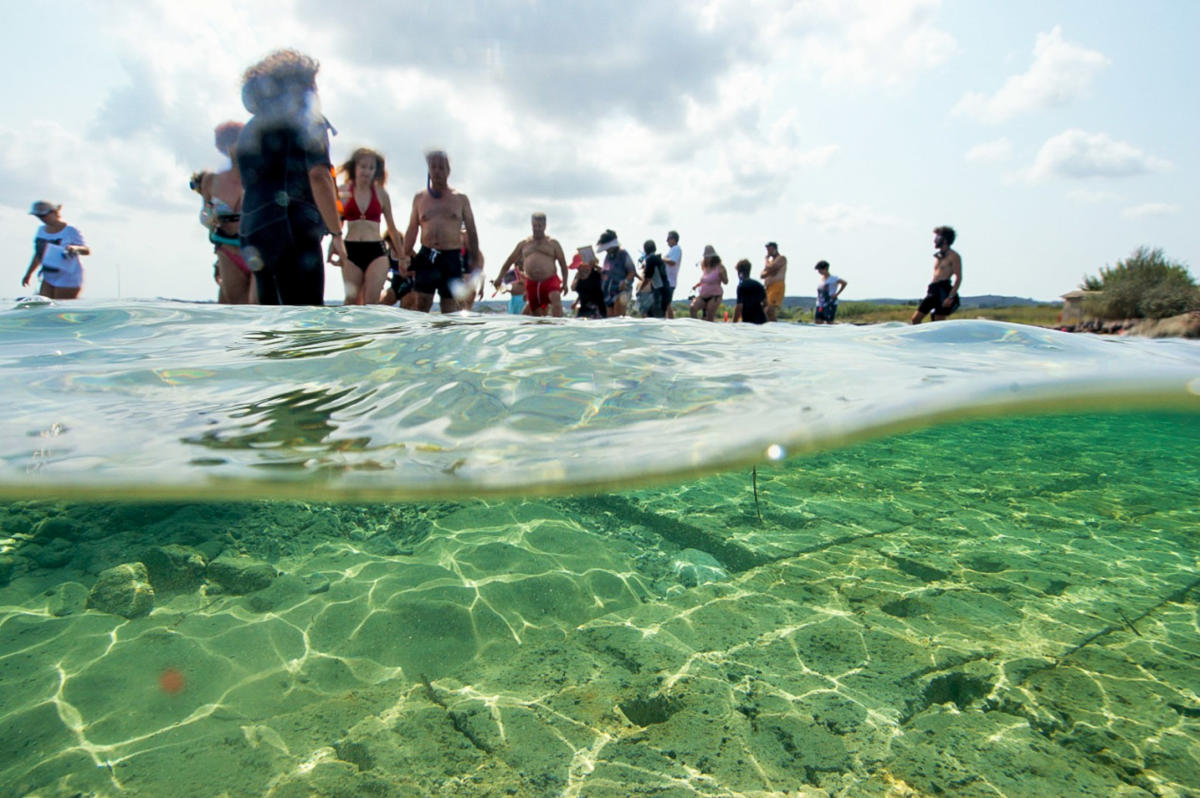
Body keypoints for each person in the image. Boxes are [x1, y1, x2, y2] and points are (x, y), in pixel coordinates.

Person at [236, 49, 346, 305]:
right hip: (291, 229)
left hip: (253, 230)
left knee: (271, 323)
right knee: (306, 320)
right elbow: (319, 175)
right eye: (314, 84)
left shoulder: (250, 128)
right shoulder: (308, 119)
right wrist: (337, 234)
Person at [403, 149, 481, 313]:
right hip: (427, 255)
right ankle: (422, 338)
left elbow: (472, 230)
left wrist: (474, 259)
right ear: (429, 170)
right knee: (422, 303)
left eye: (441, 167)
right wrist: (405, 256)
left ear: (448, 171)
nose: (437, 171)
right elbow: (412, 228)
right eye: (434, 167)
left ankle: (447, 337)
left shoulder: (460, 199)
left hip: (451, 257)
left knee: (449, 307)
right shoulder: (420, 198)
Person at [192, 121, 254, 304]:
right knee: (236, 309)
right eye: (228, 143)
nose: (233, 148)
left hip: (257, 248)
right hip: (227, 250)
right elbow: (204, 214)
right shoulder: (211, 181)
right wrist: (210, 218)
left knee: (259, 308)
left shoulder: (259, 177)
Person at [336, 147, 402, 305]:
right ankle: (351, 330)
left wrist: (402, 256)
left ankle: (372, 329)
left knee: (371, 302)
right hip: (350, 250)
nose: (366, 171)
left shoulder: (381, 194)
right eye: (363, 166)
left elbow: (392, 228)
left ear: (376, 171)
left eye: (371, 168)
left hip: (376, 251)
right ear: (355, 167)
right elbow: (337, 223)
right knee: (352, 301)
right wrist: (334, 246)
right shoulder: (343, 191)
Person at [494, 213, 568, 317]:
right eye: (535, 226)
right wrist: (499, 278)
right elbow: (509, 261)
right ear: (531, 225)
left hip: (550, 279)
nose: (537, 229)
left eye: (540, 226)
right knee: (535, 313)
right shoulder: (524, 244)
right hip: (532, 282)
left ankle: (558, 326)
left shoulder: (553, 243)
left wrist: (565, 283)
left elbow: (563, 264)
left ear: (545, 226)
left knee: (556, 298)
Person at [22, 201, 89, 299]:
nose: (42, 219)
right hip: (48, 275)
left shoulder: (70, 230)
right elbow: (38, 254)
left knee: (60, 309)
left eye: (44, 216)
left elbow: (86, 250)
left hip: (68, 276)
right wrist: (28, 273)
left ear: (54, 212)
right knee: (44, 308)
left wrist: (74, 248)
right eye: (38, 216)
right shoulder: (41, 230)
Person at [911, 226, 962, 324]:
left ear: (945, 240)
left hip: (943, 290)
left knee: (938, 321)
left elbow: (958, 278)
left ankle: (942, 339)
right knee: (915, 319)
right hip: (933, 290)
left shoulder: (954, 256)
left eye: (938, 238)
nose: (935, 240)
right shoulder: (939, 256)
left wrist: (950, 297)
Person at [596, 229, 635, 317]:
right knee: (610, 320)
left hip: (622, 291)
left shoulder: (623, 254)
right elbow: (606, 272)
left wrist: (625, 282)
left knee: (618, 318)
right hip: (609, 292)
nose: (606, 250)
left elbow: (632, 271)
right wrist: (596, 267)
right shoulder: (608, 256)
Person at [635, 240, 668, 318]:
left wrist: (640, 289)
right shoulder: (659, 261)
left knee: (646, 316)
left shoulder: (650, 260)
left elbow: (647, 278)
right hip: (659, 292)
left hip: (648, 292)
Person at [690, 250, 726, 321]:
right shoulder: (705, 268)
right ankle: (696, 327)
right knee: (693, 308)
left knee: (709, 314)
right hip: (703, 295)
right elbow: (704, 281)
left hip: (715, 295)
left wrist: (722, 275)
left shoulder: (720, 267)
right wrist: (696, 285)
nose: (707, 259)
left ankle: (710, 329)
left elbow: (726, 281)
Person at [571, 252, 605, 319]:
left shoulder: (596, 274)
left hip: (598, 308)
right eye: (578, 267)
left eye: (580, 266)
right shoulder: (578, 276)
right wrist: (576, 302)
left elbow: (607, 275)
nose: (578, 268)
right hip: (583, 308)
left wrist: (595, 265)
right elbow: (573, 288)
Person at [733, 258, 767, 324]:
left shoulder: (741, 286)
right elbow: (765, 303)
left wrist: (734, 323)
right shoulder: (759, 285)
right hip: (761, 320)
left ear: (739, 272)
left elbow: (739, 307)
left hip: (748, 321)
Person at [761, 241, 787, 321]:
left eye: (770, 250)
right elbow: (762, 275)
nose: (768, 252)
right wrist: (770, 270)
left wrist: (766, 260)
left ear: (775, 249)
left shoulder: (782, 258)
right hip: (768, 287)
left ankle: (775, 328)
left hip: (777, 286)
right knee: (763, 310)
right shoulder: (771, 261)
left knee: (770, 310)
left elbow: (770, 268)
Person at [662, 230, 682, 318]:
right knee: (667, 303)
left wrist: (661, 259)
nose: (667, 241)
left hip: (670, 281)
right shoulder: (672, 250)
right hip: (667, 281)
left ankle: (670, 321)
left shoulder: (676, 249)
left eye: (668, 239)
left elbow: (672, 262)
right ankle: (669, 321)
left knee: (666, 303)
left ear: (673, 239)